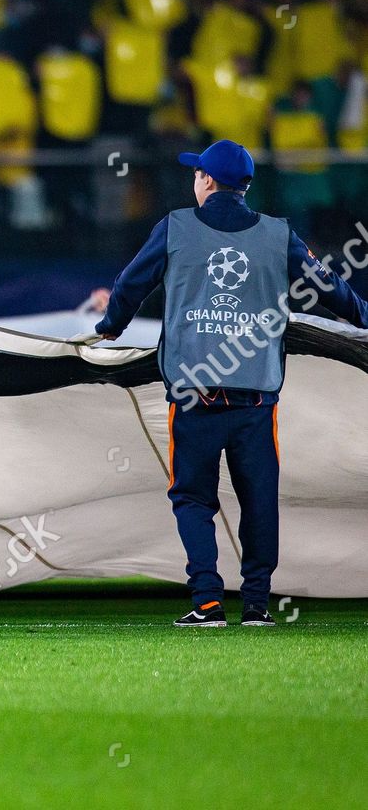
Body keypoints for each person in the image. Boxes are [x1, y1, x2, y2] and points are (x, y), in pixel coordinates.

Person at [95, 140, 368, 628]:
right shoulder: (278, 234)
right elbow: (331, 288)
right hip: (257, 400)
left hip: (193, 397)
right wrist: (364, 318)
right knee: (258, 499)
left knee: (193, 498)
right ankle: (258, 605)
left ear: (205, 181)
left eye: (196, 173)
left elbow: (131, 285)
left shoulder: (175, 227)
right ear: (244, 187)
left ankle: (207, 602)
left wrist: (110, 328)